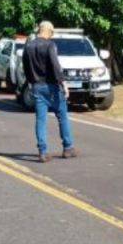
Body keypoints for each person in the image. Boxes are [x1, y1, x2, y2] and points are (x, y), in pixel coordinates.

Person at [22, 21, 76, 163]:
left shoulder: (28, 46)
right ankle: (68, 147)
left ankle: (42, 151)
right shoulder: (50, 45)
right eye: (52, 33)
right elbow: (55, 65)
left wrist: (30, 83)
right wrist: (64, 83)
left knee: (40, 119)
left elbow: (25, 67)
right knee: (62, 116)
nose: (52, 35)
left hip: (37, 86)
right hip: (51, 86)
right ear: (49, 31)